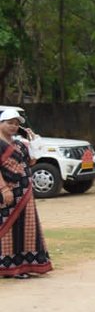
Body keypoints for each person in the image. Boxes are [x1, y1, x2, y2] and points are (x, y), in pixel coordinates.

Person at [0, 107, 53, 278]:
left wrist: (34, 140)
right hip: (8, 193)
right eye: (10, 123)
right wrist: (4, 189)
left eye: (16, 124)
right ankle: (8, 266)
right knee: (8, 229)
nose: (13, 126)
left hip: (25, 193)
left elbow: (31, 161)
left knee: (26, 228)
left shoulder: (19, 144)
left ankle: (24, 265)